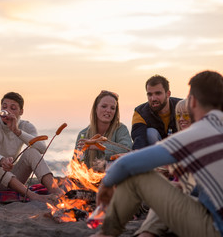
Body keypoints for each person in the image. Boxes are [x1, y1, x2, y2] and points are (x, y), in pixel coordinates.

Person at [90, 70, 223, 237]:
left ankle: (106, 234)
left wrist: (106, 184)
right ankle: (147, 234)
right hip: (210, 214)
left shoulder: (199, 132)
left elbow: (126, 164)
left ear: (193, 102)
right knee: (176, 188)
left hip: (215, 228)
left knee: (137, 178)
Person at [0, 92, 64, 203]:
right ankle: (33, 196)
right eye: (4, 107)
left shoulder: (26, 126)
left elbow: (42, 149)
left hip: (12, 181)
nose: (7, 111)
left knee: (32, 152)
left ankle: (57, 192)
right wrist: (1, 160)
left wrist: (17, 132)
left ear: (21, 112)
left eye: (13, 108)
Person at [135, 98, 194, 237]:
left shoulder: (197, 139)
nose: (181, 119)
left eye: (186, 114)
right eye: (178, 115)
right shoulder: (178, 140)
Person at [74, 90, 132, 170]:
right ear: (96, 108)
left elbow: (128, 150)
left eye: (112, 108)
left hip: (114, 175)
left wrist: (98, 146)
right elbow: (76, 163)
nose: (108, 110)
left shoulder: (120, 129)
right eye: (104, 106)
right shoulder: (83, 134)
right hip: (90, 178)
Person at [131, 75, 181, 150]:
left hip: (181, 150)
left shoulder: (182, 107)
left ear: (168, 94)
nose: (153, 98)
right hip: (156, 153)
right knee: (150, 133)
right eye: (150, 94)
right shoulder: (140, 112)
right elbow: (139, 139)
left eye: (158, 93)